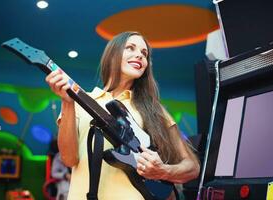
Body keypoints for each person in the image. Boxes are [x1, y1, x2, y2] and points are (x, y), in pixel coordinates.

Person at [46, 31, 200, 200]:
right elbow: (69, 159)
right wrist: (67, 102)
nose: (139, 56)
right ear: (112, 55)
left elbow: (192, 167)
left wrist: (163, 171)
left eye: (144, 53)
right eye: (130, 48)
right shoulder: (79, 102)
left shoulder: (154, 110)